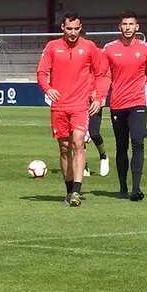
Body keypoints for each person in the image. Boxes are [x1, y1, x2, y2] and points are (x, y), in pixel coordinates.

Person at [36, 12, 110, 207]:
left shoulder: (89, 47)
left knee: (78, 142)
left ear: (81, 28)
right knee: (64, 148)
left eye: (76, 29)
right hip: (59, 106)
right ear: (62, 28)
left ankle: (77, 191)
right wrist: (48, 88)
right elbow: (41, 72)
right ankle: (69, 192)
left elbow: (102, 74)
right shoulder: (52, 47)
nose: (73, 32)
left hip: (80, 105)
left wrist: (99, 97)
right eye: (69, 28)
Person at [102, 11, 147, 201]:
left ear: (137, 27)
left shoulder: (146, 48)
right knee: (121, 146)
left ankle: (136, 189)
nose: (128, 27)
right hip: (117, 104)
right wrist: (100, 96)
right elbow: (105, 76)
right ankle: (122, 187)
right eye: (125, 24)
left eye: (131, 24)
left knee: (138, 143)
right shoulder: (109, 49)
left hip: (138, 103)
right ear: (119, 27)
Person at [83, 93, 109, 177]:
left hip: (94, 100)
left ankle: (103, 156)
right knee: (78, 134)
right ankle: (84, 166)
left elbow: (103, 84)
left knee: (94, 133)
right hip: (79, 99)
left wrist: (102, 96)